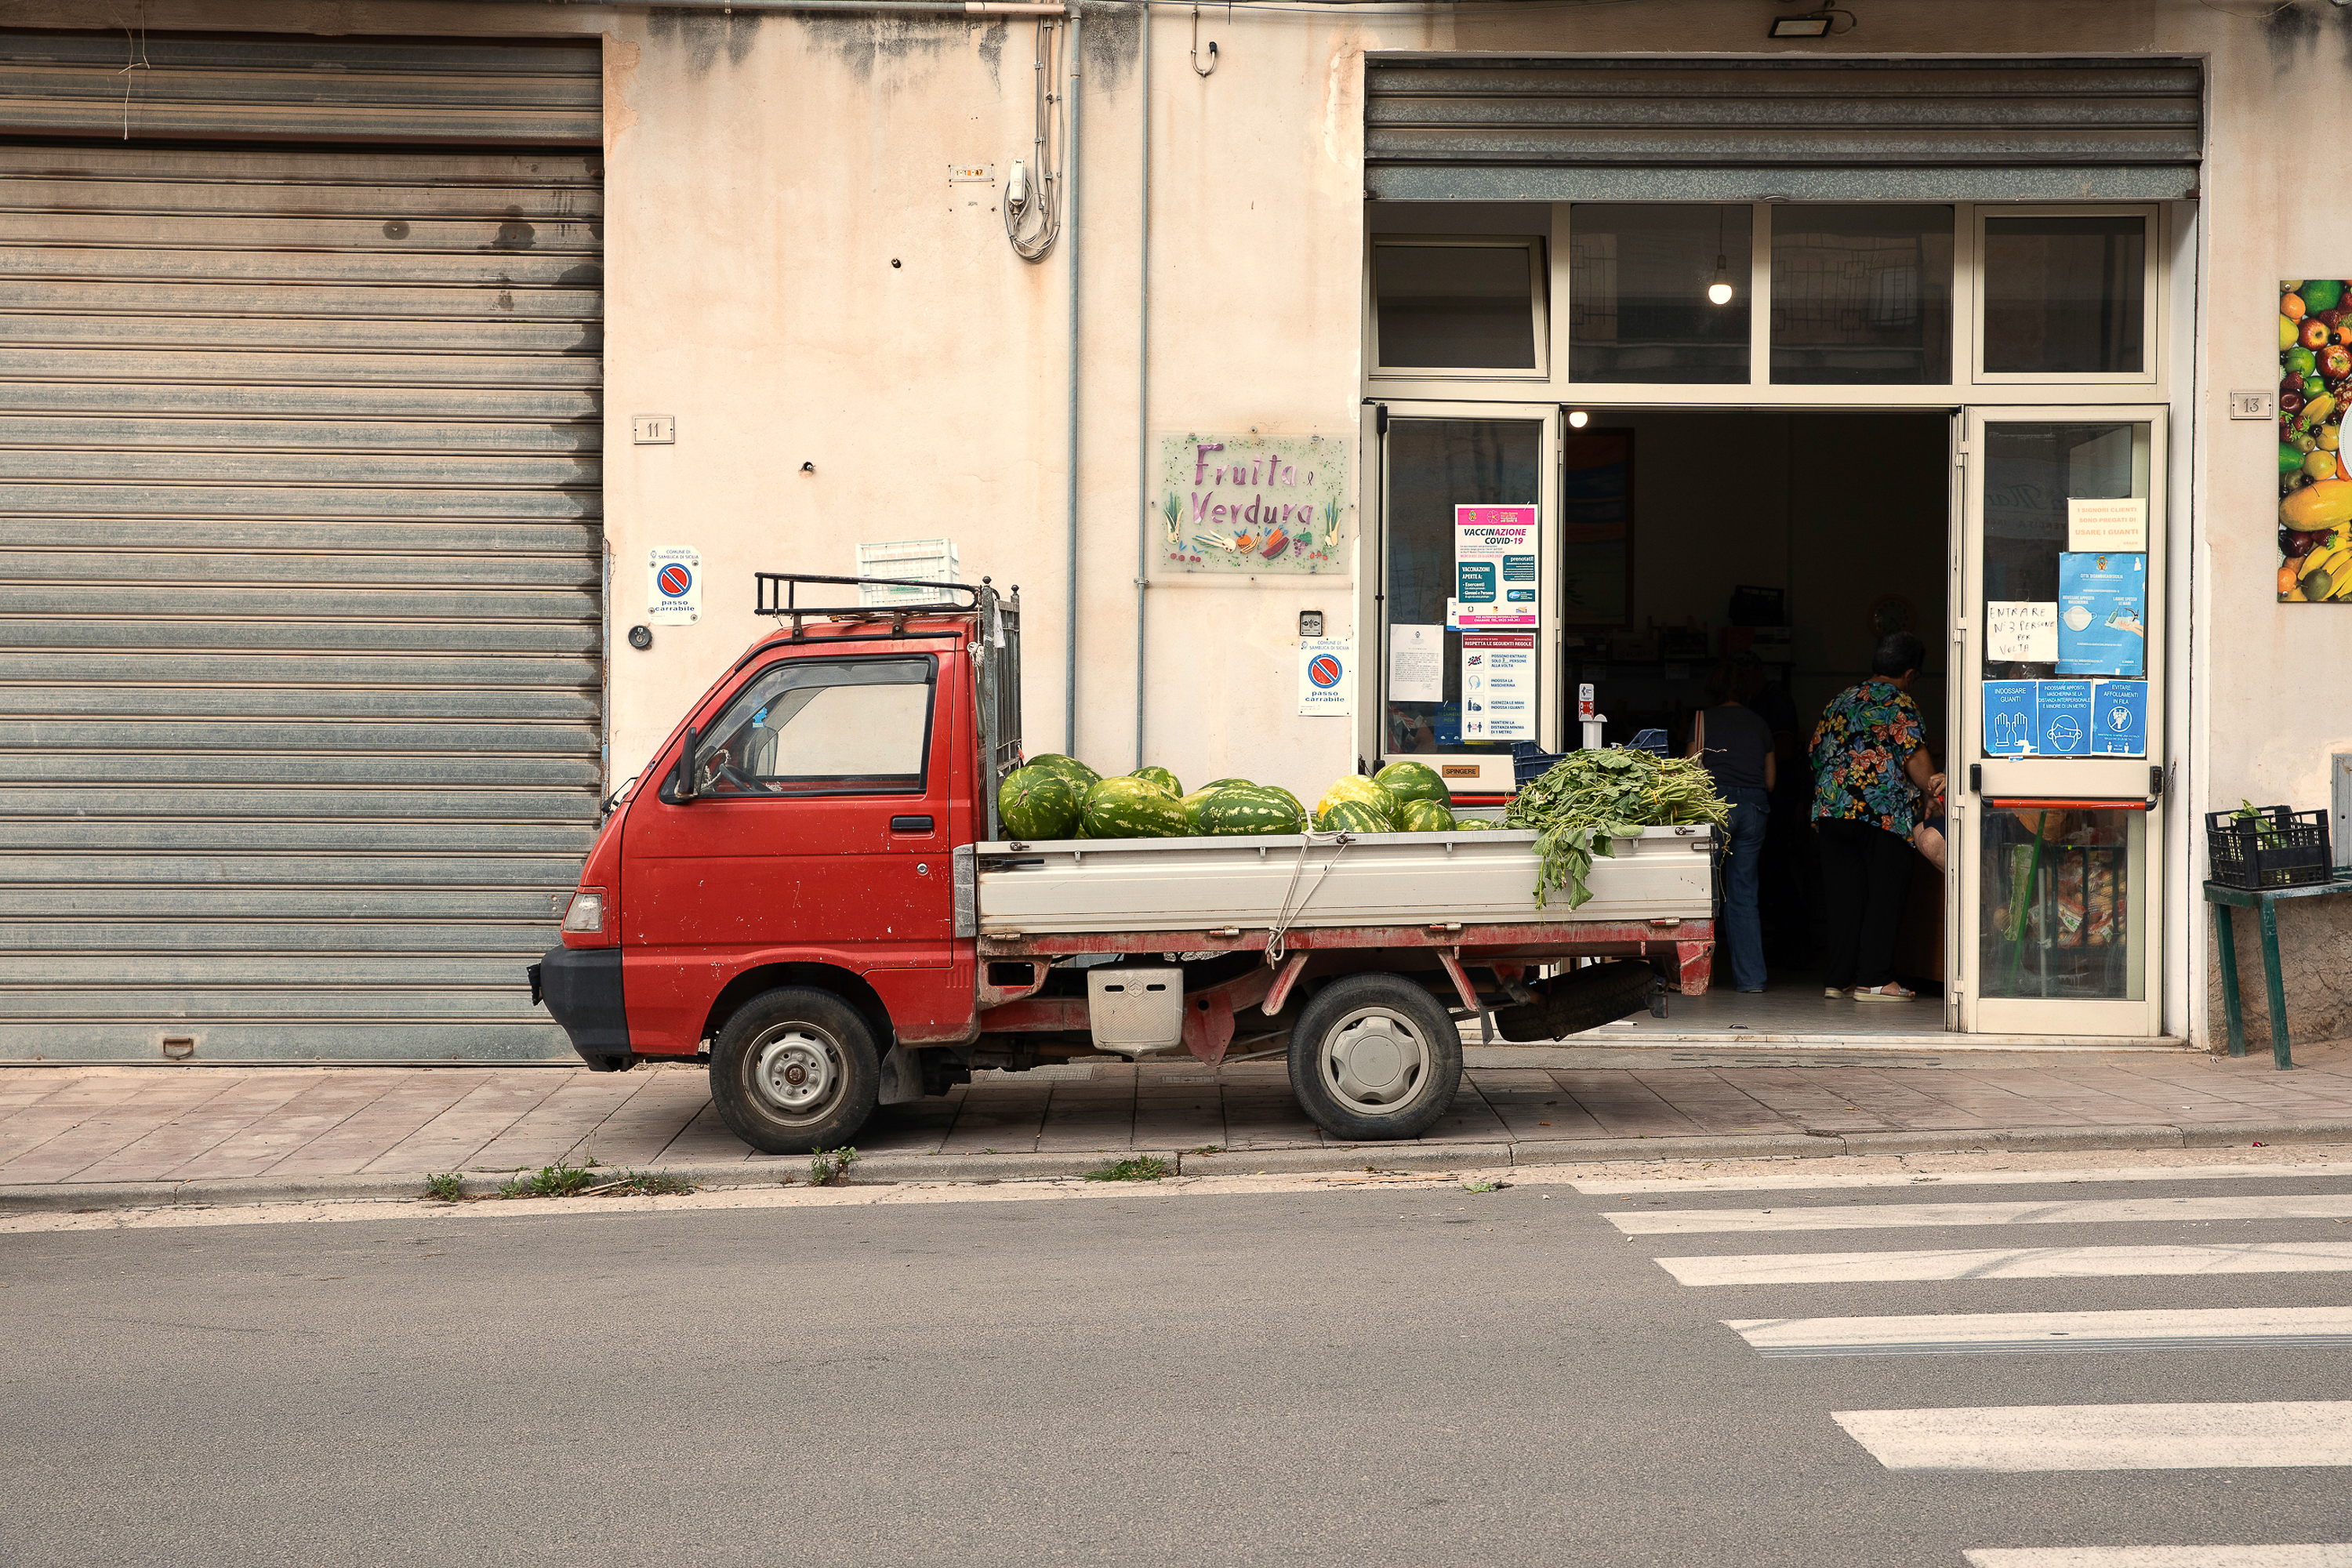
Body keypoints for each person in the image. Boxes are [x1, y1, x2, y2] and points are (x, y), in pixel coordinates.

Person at [1809, 632, 1944, 1001]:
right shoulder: (1900, 703)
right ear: (1911, 673)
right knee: (1884, 895)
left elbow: (1817, 754)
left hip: (1832, 810)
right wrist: (1935, 793)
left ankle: (1837, 981)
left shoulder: (1840, 700)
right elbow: (1915, 760)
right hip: (1880, 814)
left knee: (1843, 898)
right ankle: (1874, 979)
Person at [1686, 661, 1775, 993]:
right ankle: (1751, 980)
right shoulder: (1760, 724)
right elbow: (1770, 781)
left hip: (1715, 808)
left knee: (1698, 894)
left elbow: (1690, 770)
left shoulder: (1702, 719)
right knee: (1743, 895)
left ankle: (1694, 979)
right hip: (1753, 809)